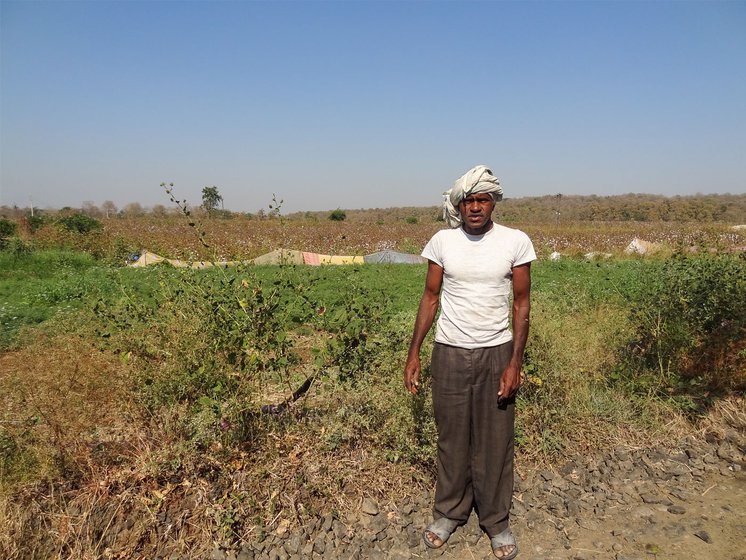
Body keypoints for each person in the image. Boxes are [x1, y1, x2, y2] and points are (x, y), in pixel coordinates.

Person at [404, 165, 536, 559]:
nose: (475, 207)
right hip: (449, 352)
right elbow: (430, 298)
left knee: (496, 441)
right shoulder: (443, 242)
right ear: (458, 205)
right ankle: (449, 512)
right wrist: (414, 351)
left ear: (493, 202)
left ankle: (496, 521)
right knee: (452, 438)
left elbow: (522, 305)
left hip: (497, 352)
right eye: (469, 200)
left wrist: (515, 362)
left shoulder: (515, 241)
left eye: (482, 199)